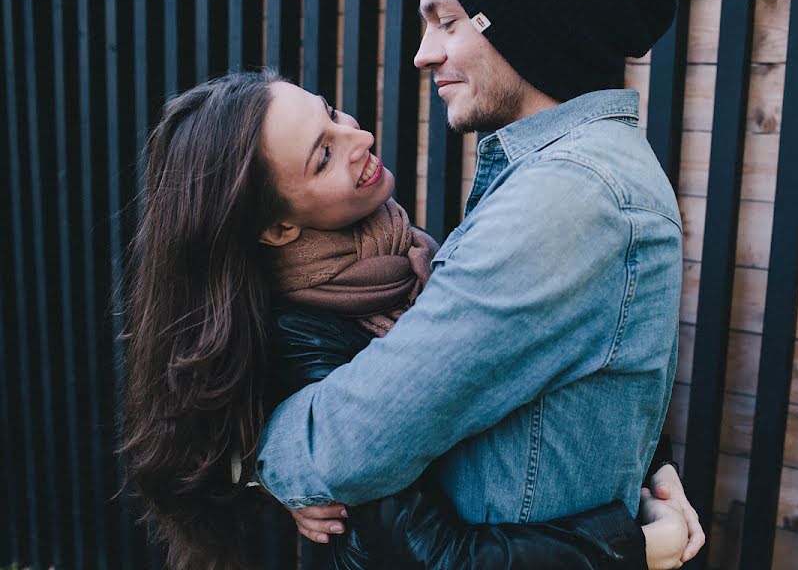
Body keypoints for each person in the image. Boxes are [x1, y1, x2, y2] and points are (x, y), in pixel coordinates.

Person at [120, 71, 692, 570]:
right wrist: (625, 549)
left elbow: (524, 361)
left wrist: (651, 469)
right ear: (278, 229)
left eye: (333, 113)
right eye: (322, 156)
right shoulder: (305, 339)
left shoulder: (400, 260)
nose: (360, 137)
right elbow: (422, 556)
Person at [258, 0, 703, 565]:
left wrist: (252, 456)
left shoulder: (566, 199)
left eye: (447, 20)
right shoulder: (570, 179)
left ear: (527, 24)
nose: (423, 53)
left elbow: (341, 452)